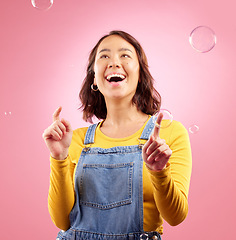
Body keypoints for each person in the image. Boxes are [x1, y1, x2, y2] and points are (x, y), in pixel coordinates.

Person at [43, 30, 192, 240]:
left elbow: (176, 216)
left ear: (140, 74)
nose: (114, 63)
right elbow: (62, 221)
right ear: (94, 78)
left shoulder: (169, 133)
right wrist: (59, 158)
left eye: (125, 55)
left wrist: (159, 172)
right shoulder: (74, 140)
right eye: (104, 56)